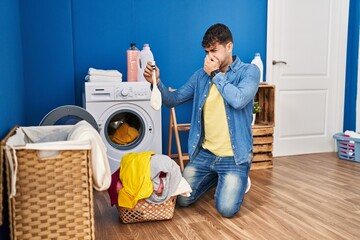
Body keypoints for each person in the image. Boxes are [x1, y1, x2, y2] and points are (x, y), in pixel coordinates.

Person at [143, 23, 260, 218]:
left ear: (229, 47)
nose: (209, 57)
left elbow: (238, 100)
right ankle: (217, 177)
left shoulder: (249, 72)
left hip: (234, 156)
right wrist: (157, 82)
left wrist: (215, 75)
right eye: (207, 52)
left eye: (214, 50)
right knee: (181, 199)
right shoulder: (200, 76)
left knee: (226, 209)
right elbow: (173, 99)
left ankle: (238, 178)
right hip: (206, 154)